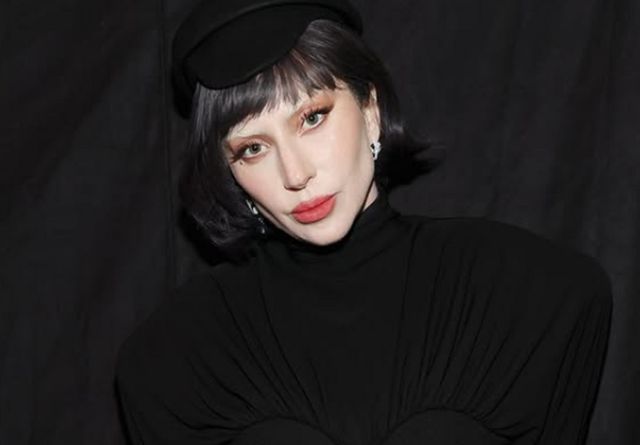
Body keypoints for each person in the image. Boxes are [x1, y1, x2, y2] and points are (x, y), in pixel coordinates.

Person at [116, 1, 612, 444]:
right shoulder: (178, 361)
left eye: (312, 118)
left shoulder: (523, 296)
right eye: (253, 148)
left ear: (370, 110)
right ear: (231, 173)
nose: (295, 174)